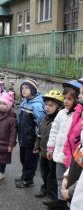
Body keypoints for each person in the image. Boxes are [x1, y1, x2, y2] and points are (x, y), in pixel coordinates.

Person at [46, 80, 80, 209]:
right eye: (64, 98)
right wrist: (50, 148)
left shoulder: (78, 116)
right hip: (59, 153)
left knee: (71, 182)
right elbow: (54, 130)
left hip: (72, 157)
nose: (65, 101)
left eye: (69, 99)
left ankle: (70, 204)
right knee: (60, 179)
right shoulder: (61, 113)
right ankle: (61, 202)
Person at [33, 90, 64, 203]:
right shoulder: (43, 119)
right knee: (44, 172)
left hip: (53, 154)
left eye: (51, 105)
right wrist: (37, 146)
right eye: (46, 104)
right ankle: (44, 189)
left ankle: (52, 194)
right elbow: (39, 134)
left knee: (52, 175)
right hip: (43, 152)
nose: (47, 107)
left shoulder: (58, 121)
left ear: (59, 107)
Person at [15, 78, 46, 188]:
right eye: (22, 88)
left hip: (31, 139)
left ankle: (28, 179)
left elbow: (41, 123)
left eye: (27, 88)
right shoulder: (25, 102)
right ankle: (25, 175)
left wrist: (38, 140)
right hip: (23, 137)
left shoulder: (37, 105)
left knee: (30, 160)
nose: (23, 90)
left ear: (33, 90)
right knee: (23, 158)